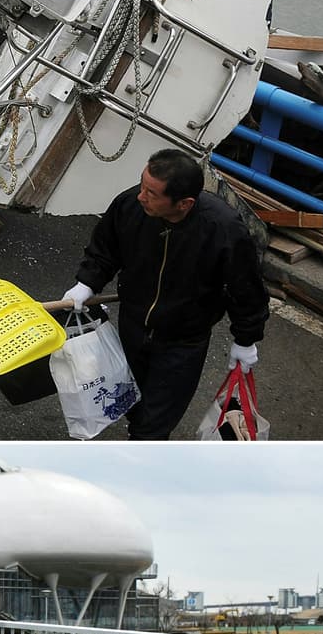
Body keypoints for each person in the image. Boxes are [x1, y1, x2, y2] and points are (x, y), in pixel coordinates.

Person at [60, 148, 270, 440]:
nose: (140, 196)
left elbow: (245, 288)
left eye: (152, 193)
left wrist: (246, 339)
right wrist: (87, 283)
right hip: (132, 326)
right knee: (130, 401)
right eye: (142, 185)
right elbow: (105, 249)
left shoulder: (222, 229)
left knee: (154, 424)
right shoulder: (130, 206)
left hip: (182, 340)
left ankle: (141, 463)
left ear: (184, 203)